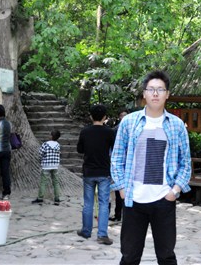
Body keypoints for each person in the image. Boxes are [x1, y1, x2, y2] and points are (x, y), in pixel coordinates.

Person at [111, 70, 192, 265]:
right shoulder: (129, 122)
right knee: (129, 257)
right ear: (144, 93)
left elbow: (185, 162)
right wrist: (121, 187)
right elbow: (117, 157)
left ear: (167, 94)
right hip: (133, 199)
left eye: (160, 90)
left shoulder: (177, 125)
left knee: (166, 257)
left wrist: (175, 190)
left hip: (164, 199)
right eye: (151, 89)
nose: (155, 93)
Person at [76, 104, 116, 244]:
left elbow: (80, 149)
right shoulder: (110, 132)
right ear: (105, 117)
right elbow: (114, 149)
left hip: (89, 171)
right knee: (104, 203)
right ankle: (102, 235)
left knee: (88, 203)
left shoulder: (85, 131)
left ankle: (86, 231)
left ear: (90, 116)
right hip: (104, 171)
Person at [33, 129, 62, 205]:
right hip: (55, 166)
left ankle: (40, 198)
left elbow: (40, 153)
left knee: (43, 182)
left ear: (51, 136)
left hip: (46, 165)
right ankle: (57, 198)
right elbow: (59, 154)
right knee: (56, 182)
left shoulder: (45, 144)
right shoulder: (58, 145)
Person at [110, 109, 128, 222]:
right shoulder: (115, 130)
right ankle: (119, 215)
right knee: (119, 190)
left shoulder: (115, 130)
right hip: (120, 163)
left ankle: (120, 215)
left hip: (129, 163)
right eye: (122, 116)